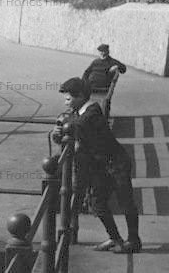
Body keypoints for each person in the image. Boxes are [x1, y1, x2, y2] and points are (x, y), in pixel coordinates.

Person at [53, 77, 141, 254]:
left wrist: (65, 125)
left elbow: (80, 125)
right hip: (101, 165)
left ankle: (133, 241)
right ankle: (115, 239)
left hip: (116, 163)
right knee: (97, 203)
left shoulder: (92, 111)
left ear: (81, 97)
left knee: (125, 201)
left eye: (69, 99)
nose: (65, 102)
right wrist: (59, 133)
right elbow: (73, 127)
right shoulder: (78, 113)